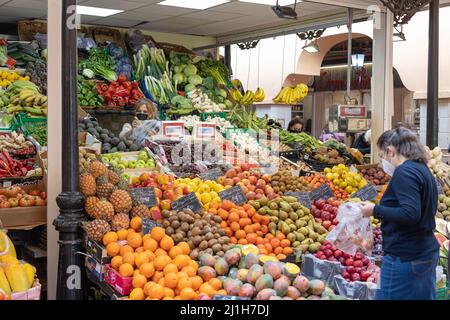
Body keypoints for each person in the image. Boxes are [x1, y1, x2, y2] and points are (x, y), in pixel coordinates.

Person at [359, 127, 439, 300]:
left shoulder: (404, 173)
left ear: (390, 151)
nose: (383, 162)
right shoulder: (421, 169)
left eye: (382, 156)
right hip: (423, 251)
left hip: (405, 256)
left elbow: (410, 213)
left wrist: (375, 210)